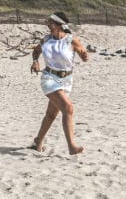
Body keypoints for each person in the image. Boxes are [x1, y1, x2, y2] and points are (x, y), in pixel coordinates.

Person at [30, 12, 89, 155]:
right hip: (49, 78)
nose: (48, 26)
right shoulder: (46, 40)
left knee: (51, 114)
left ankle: (38, 141)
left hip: (67, 81)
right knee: (68, 108)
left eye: (50, 23)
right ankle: (71, 146)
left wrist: (85, 56)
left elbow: (84, 56)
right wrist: (35, 61)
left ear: (59, 25)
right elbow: (36, 51)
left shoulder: (71, 41)